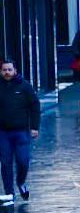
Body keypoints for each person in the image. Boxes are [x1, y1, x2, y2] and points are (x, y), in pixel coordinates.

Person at [0, 59, 40, 201]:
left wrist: (35, 127)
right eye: (4, 70)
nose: (7, 72)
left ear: (15, 70)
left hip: (21, 132)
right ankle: (9, 193)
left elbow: (35, 106)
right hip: (3, 132)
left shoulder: (24, 86)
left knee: (23, 161)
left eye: (9, 69)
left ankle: (21, 182)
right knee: (5, 163)